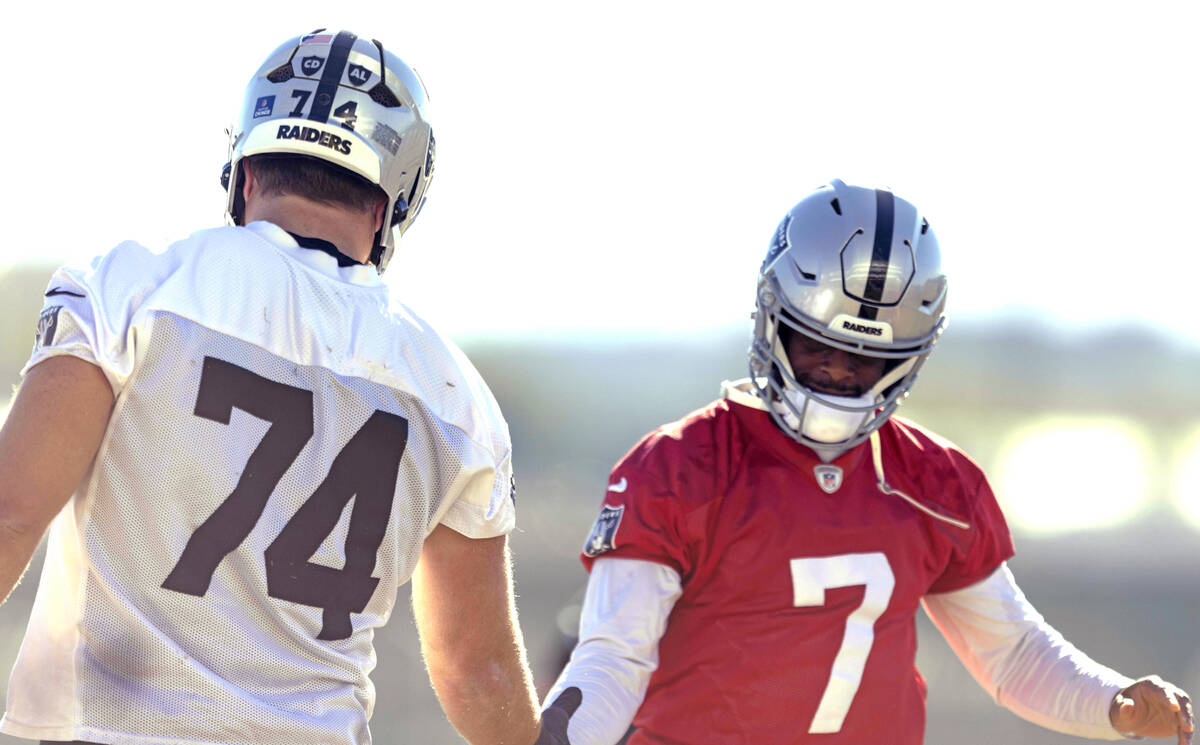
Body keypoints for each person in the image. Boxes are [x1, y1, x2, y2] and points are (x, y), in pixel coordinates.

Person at [0, 29, 542, 745]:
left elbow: (10, 512)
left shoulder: (130, 287)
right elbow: (480, 673)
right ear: (388, 206)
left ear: (246, 169)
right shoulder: (455, 396)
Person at [537, 180, 1195, 745]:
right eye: (817, 345)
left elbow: (1013, 652)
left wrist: (1115, 705)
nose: (837, 372)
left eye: (862, 359)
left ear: (906, 359)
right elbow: (612, 659)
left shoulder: (933, 481)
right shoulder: (680, 468)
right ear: (774, 319)